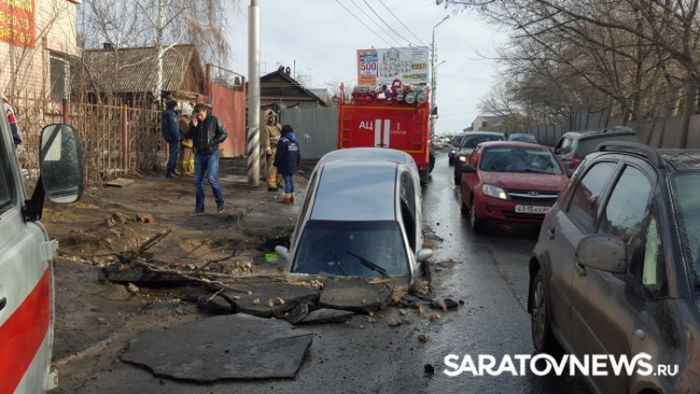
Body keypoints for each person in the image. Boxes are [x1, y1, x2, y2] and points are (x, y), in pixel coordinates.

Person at [183, 103, 227, 215]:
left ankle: (220, 203)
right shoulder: (195, 122)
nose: (199, 117)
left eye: (201, 114)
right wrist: (193, 126)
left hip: (212, 153)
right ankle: (199, 208)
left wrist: (212, 142)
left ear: (205, 111)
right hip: (199, 154)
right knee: (198, 182)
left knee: (211, 178)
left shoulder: (214, 120)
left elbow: (223, 134)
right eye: (197, 115)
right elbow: (187, 135)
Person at [274, 125, 300, 204]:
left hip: (285, 163)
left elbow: (279, 154)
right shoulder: (295, 141)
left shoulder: (283, 140)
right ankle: (292, 197)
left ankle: (287, 198)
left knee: (287, 180)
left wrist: (276, 162)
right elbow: (298, 154)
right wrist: (297, 163)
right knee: (290, 179)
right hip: (293, 163)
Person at [262, 112, 282, 191]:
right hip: (273, 149)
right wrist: (268, 150)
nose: (272, 119)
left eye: (273, 117)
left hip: (280, 149)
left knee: (280, 166)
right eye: (270, 117)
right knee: (272, 167)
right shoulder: (266, 128)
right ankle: (271, 184)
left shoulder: (279, 126)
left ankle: (279, 182)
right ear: (268, 119)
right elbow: (266, 140)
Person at [161, 99, 181, 178]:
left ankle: (172, 170)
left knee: (174, 154)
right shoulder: (171, 115)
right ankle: (170, 172)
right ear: (173, 106)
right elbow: (174, 128)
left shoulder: (167, 114)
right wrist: (178, 137)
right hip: (174, 137)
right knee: (174, 154)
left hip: (170, 136)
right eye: (176, 105)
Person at [177, 105, 195, 176]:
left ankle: (190, 170)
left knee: (190, 157)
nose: (190, 115)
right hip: (186, 141)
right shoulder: (183, 121)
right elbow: (185, 131)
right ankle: (183, 170)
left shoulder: (188, 120)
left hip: (190, 141)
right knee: (185, 157)